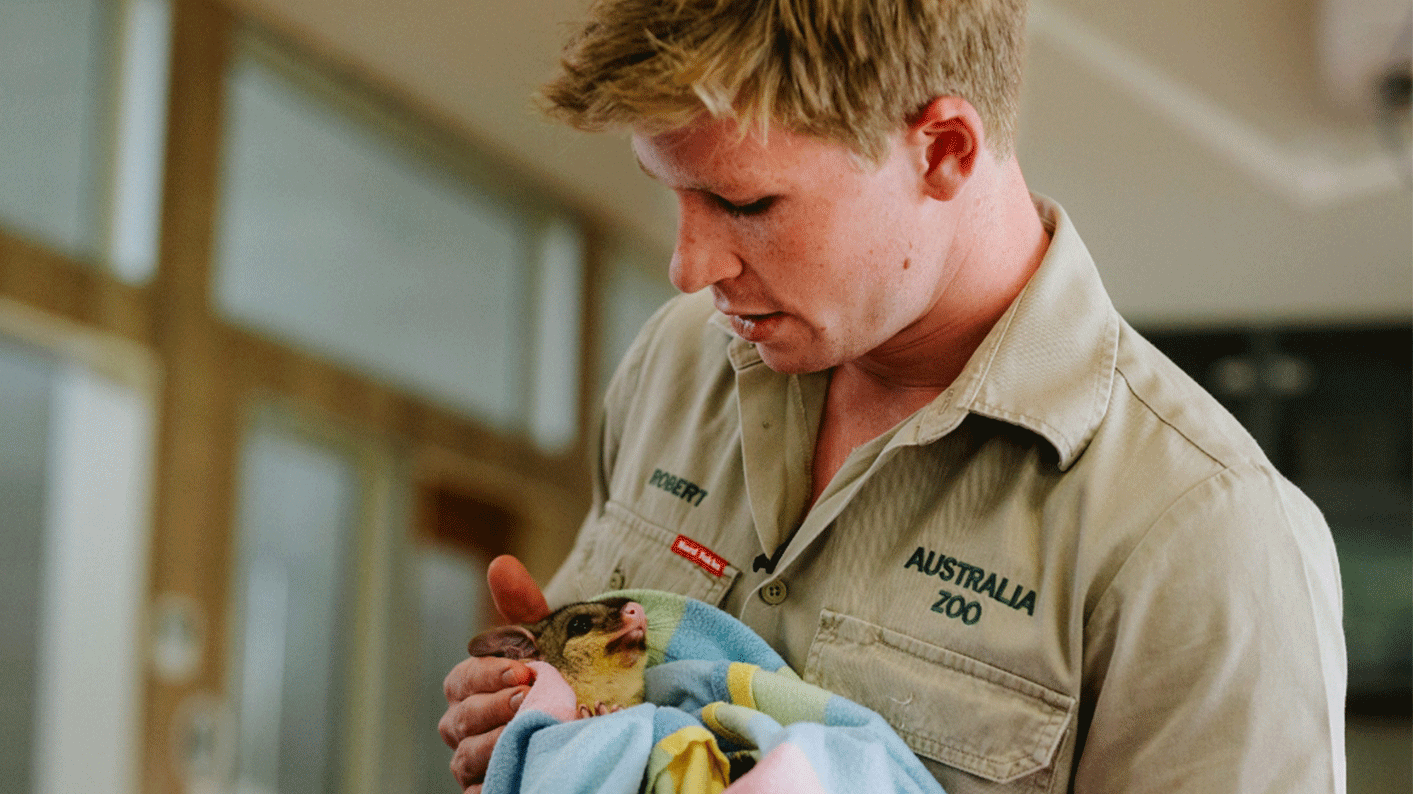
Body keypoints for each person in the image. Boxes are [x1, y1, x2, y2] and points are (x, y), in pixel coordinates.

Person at [440, 0, 1348, 792]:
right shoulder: (677, 362)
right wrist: (530, 721)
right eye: (670, 190)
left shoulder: (1205, 538)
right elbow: (593, 708)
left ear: (943, 150)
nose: (688, 269)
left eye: (747, 205)